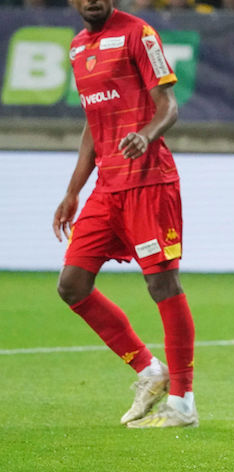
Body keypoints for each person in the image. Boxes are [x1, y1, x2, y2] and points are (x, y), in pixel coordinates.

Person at [54, 0, 198, 429]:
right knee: (72, 285)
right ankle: (150, 371)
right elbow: (93, 123)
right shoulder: (77, 48)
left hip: (149, 181)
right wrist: (73, 191)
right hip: (107, 187)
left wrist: (146, 135)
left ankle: (183, 402)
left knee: (162, 284)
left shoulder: (139, 33)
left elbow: (168, 105)